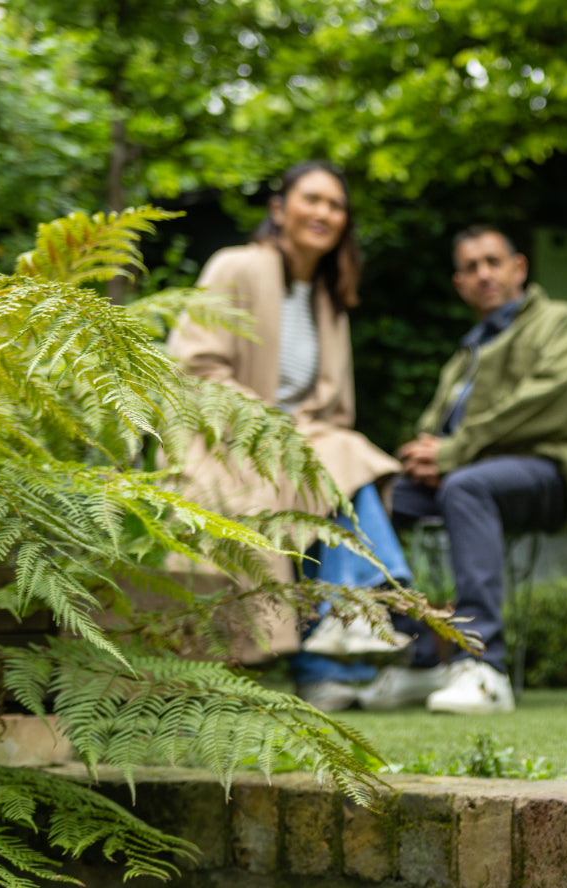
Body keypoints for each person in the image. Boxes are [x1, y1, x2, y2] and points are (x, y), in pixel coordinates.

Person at [169, 160, 412, 711]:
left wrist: (298, 429)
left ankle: (329, 648)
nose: (324, 213)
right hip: (225, 440)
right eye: (313, 199)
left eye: (336, 205)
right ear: (279, 208)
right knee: (343, 458)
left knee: (342, 453)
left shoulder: (326, 299)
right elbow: (195, 368)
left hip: (297, 444)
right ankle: (359, 607)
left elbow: (333, 403)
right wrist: (269, 424)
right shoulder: (236, 267)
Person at [362, 224, 567, 715]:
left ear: (519, 267)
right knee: (373, 495)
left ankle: (483, 665)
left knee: (464, 486)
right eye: (471, 267)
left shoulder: (559, 323)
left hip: (550, 469)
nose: (484, 274)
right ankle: (422, 653)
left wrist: (455, 452)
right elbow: (436, 425)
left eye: (493, 262)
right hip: (468, 474)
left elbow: (556, 400)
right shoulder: (466, 353)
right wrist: (422, 455)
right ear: (459, 284)